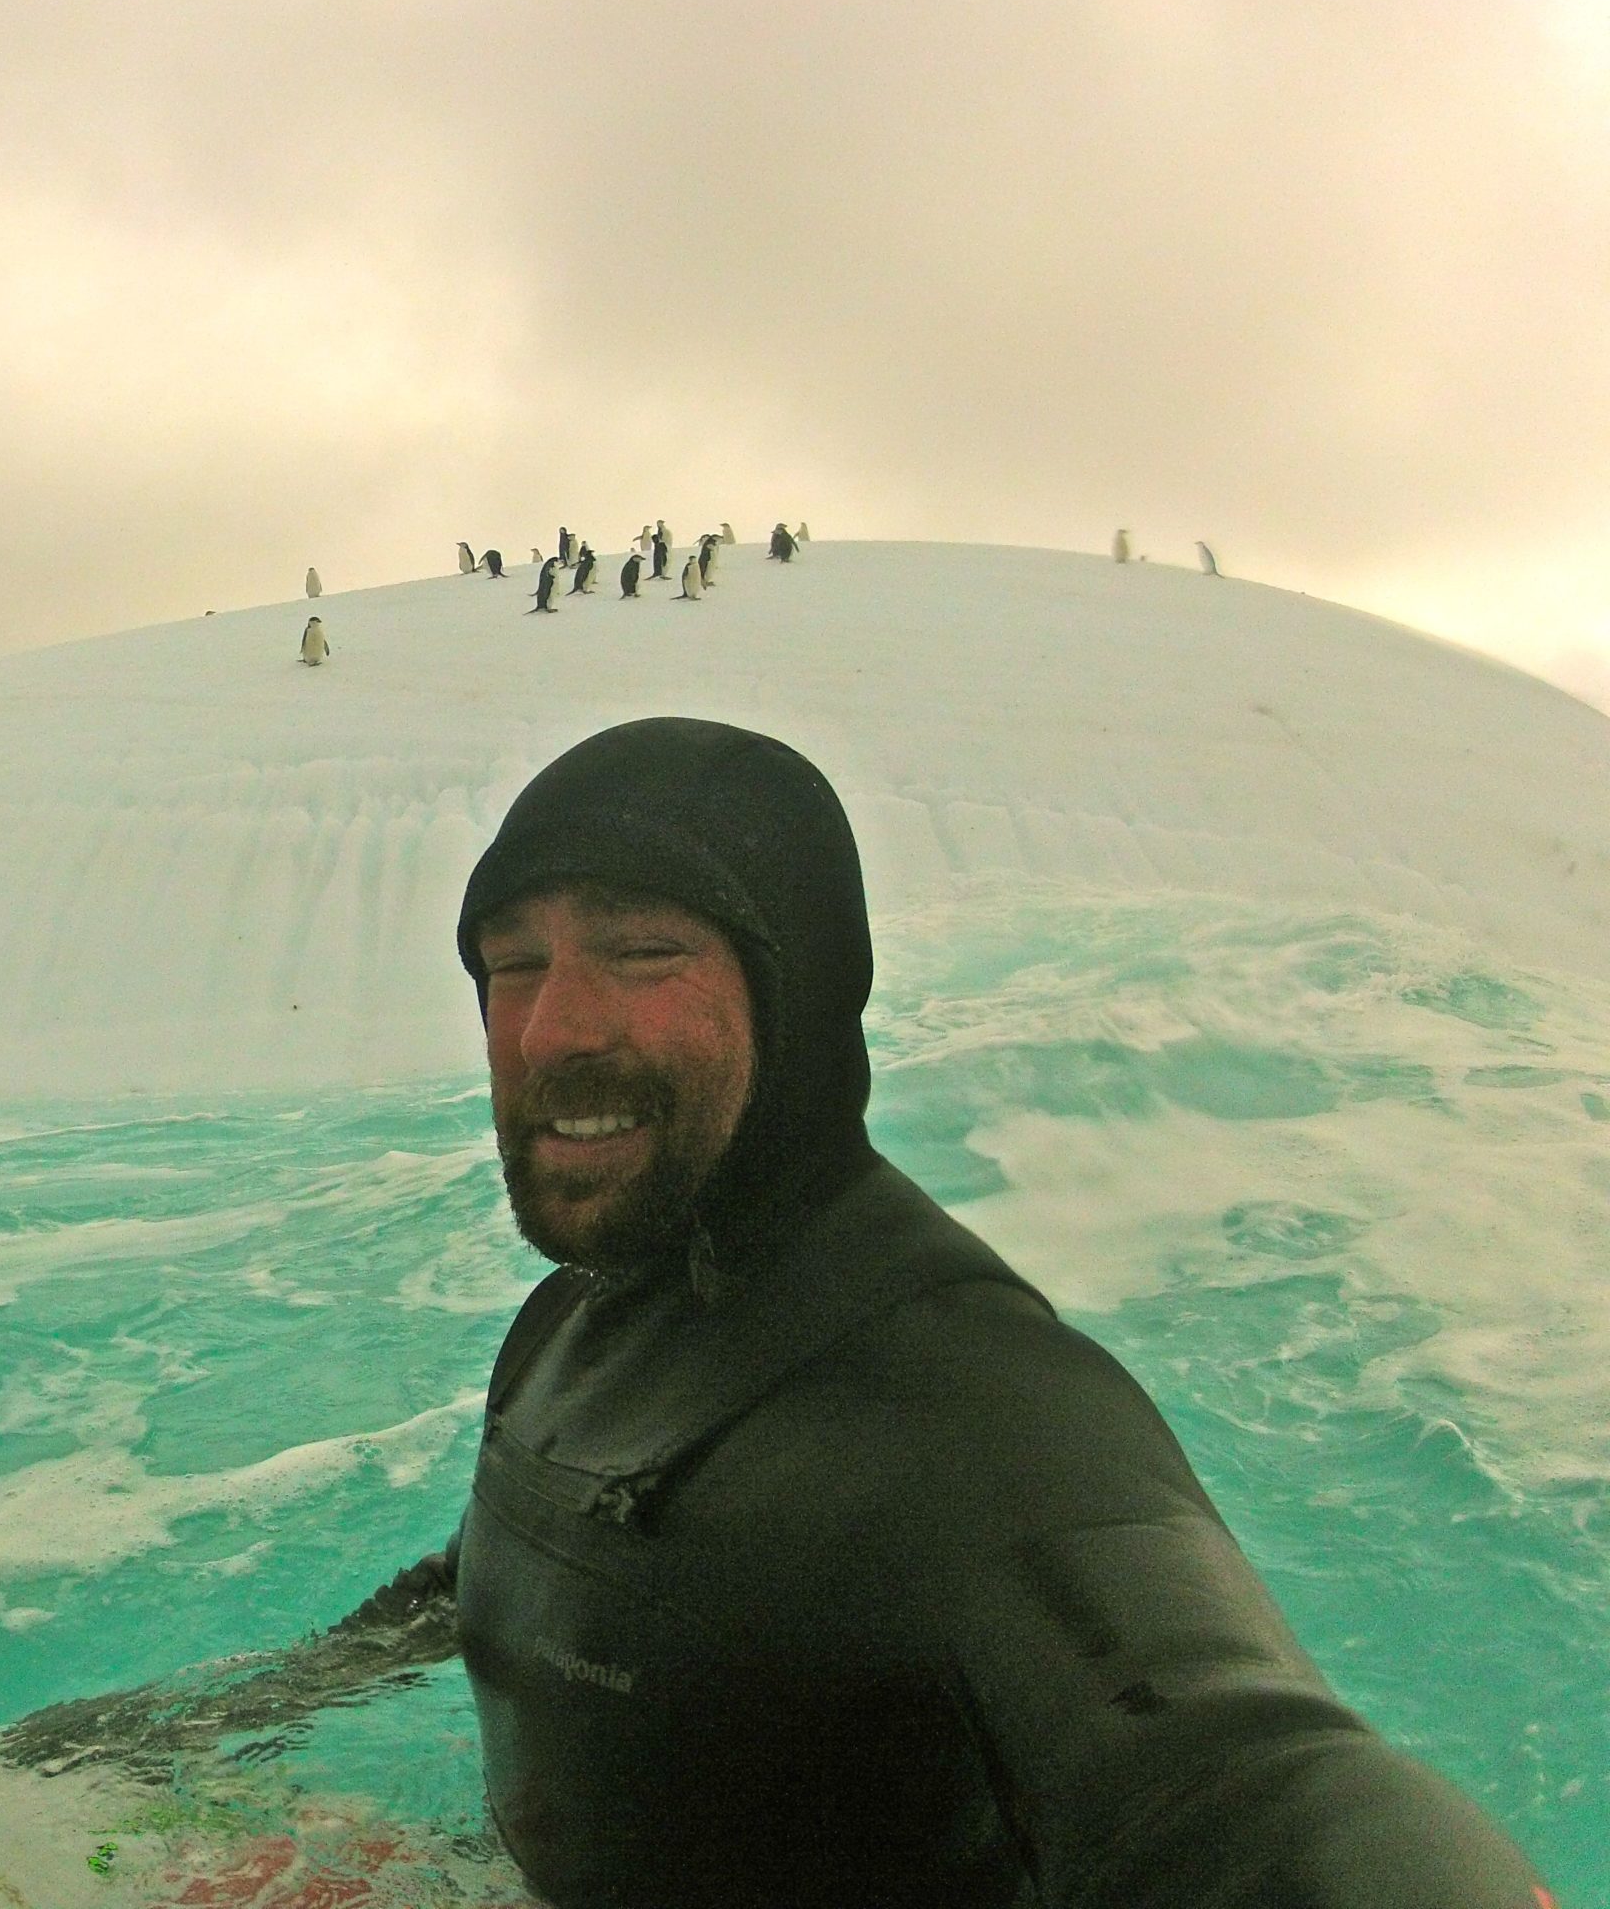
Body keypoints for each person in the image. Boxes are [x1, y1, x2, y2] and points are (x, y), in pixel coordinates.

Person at [334, 718, 1551, 1907]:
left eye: (644, 952)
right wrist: (172, 1756)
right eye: (512, 966)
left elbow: (1235, 1770)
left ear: (793, 989)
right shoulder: (567, 1323)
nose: (554, 1030)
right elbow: (491, 1576)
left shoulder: (972, 1399)